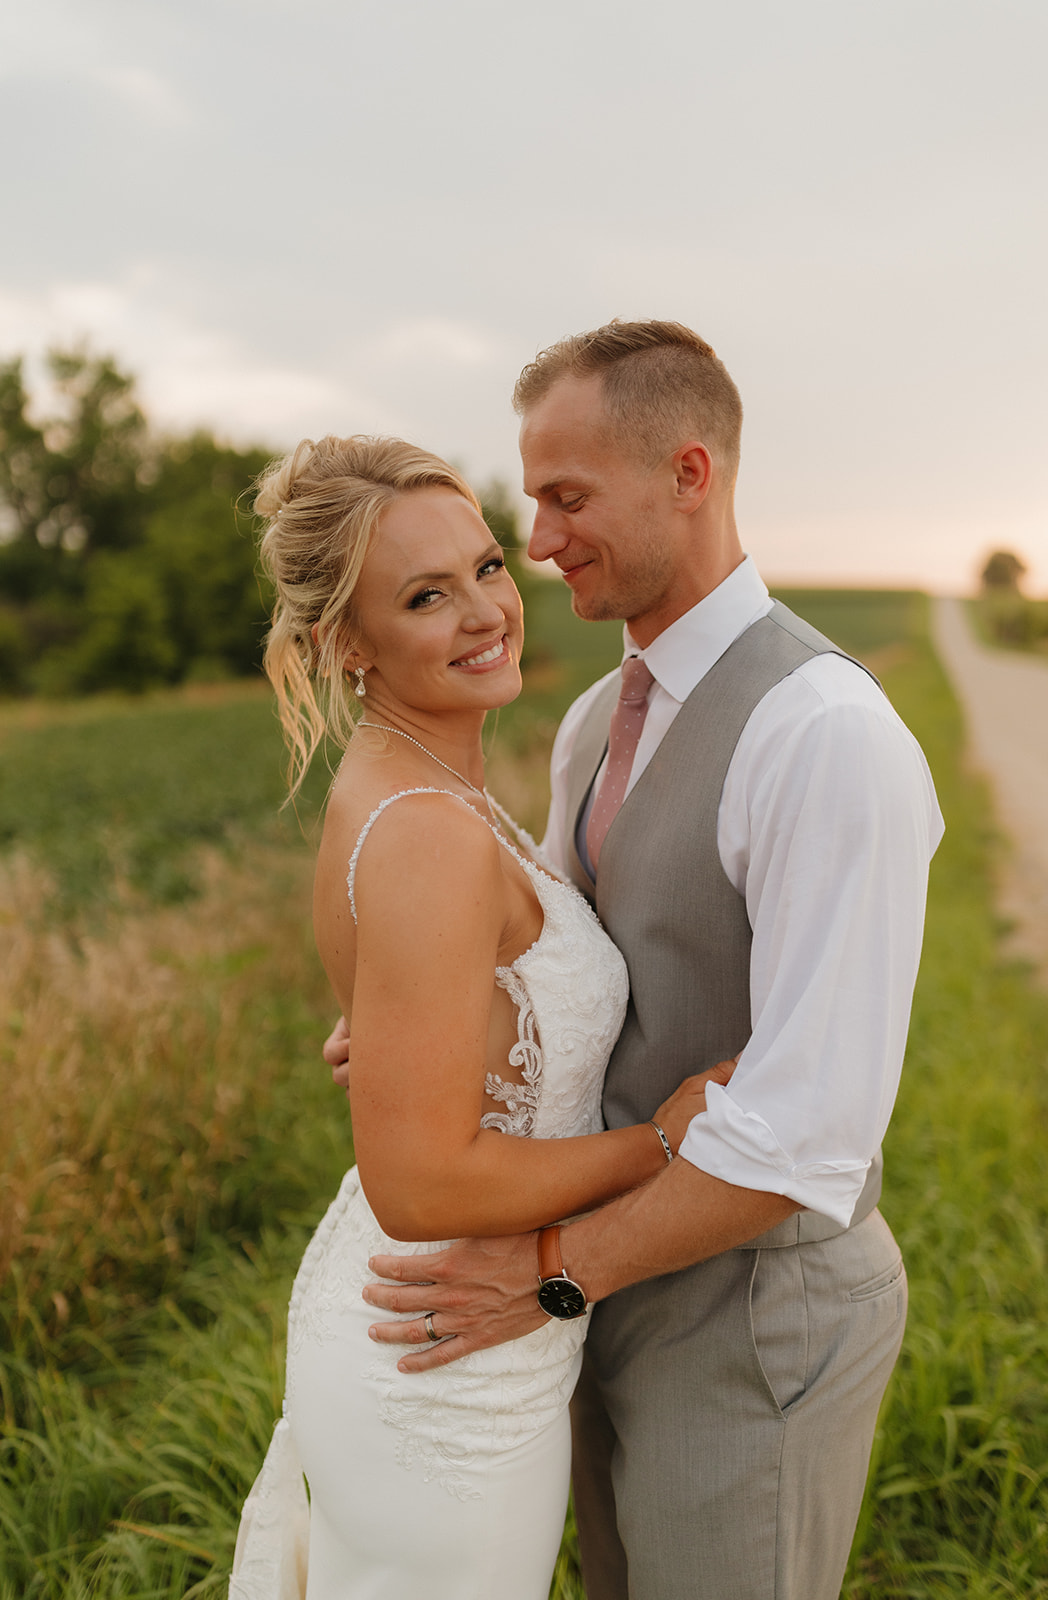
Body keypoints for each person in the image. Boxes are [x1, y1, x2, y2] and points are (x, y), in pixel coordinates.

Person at [347, 322, 945, 1600]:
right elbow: (580, 974)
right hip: (610, 1290)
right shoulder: (584, 725)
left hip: (748, 1318)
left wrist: (550, 1275)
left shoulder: (824, 734)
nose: (543, 541)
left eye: (568, 498)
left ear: (689, 473)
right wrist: (438, 1021)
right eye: (534, 504)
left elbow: (806, 1134)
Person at [228, 433, 731, 1600]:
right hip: (440, 1358)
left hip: (450, 1324)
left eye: (486, 567)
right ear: (342, 644)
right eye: (422, 595)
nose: (482, 612)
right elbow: (420, 1183)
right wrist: (658, 1142)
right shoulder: (422, 834)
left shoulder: (431, 786)